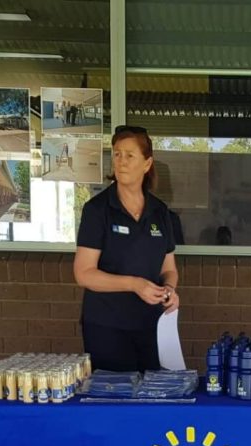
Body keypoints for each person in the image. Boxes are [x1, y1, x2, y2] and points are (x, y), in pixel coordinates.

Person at [73, 125, 179, 371]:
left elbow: (169, 269)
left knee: (152, 403)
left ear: (147, 163)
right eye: (117, 154)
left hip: (152, 327)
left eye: (130, 155)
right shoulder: (97, 210)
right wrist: (134, 284)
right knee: (115, 403)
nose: (121, 161)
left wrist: (169, 291)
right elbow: (84, 273)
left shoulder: (160, 212)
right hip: (107, 327)